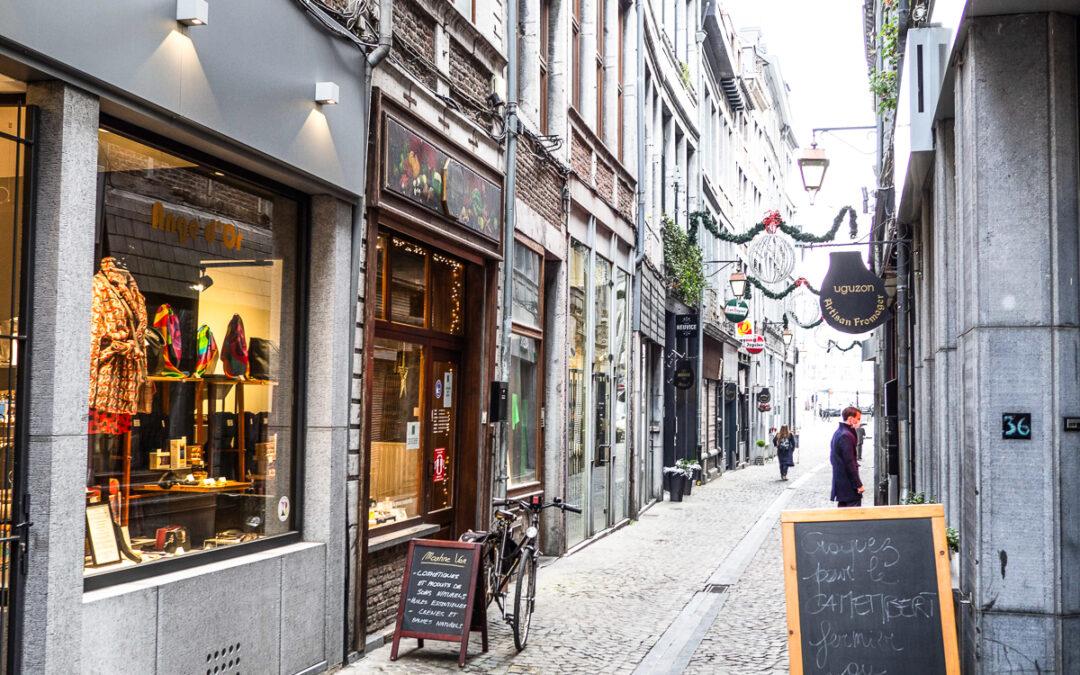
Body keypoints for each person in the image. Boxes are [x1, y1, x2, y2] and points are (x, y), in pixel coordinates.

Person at [830, 406, 864, 507]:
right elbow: (850, 462)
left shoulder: (838, 432)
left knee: (843, 516)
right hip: (848, 486)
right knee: (853, 517)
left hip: (841, 484)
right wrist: (858, 484)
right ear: (850, 419)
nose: (859, 421)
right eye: (858, 419)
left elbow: (832, 458)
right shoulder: (846, 435)